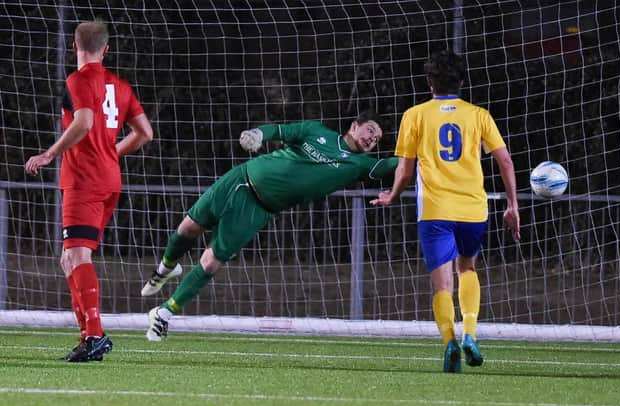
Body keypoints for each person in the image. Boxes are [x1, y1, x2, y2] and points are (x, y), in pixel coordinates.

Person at [141, 111, 397, 341]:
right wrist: (257, 134)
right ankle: (165, 269)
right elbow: (280, 130)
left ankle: (164, 312)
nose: (372, 139)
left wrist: (419, 150)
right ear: (355, 125)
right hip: (242, 176)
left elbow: (392, 165)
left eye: (377, 139)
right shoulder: (316, 131)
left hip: (258, 207)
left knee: (211, 261)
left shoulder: (361, 165)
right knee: (188, 228)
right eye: (370, 131)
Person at [371, 51, 520, 373]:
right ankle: (470, 332)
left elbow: (405, 170)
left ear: (429, 82)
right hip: (472, 208)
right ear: (462, 81)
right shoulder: (478, 115)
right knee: (467, 269)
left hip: (435, 210)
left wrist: (392, 196)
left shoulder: (415, 115)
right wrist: (512, 205)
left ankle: (449, 341)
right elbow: (505, 161)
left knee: (442, 285)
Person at [25, 20, 153, 362]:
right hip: (109, 180)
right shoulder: (120, 85)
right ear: (106, 48)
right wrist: (112, 152)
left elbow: (83, 122)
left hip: (84, 181)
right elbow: (144, 133)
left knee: (77, 256)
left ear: (73, 46)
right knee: (70, 259)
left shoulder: (78, 79)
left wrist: (50, 153)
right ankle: (88, 337)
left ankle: (95, 335)